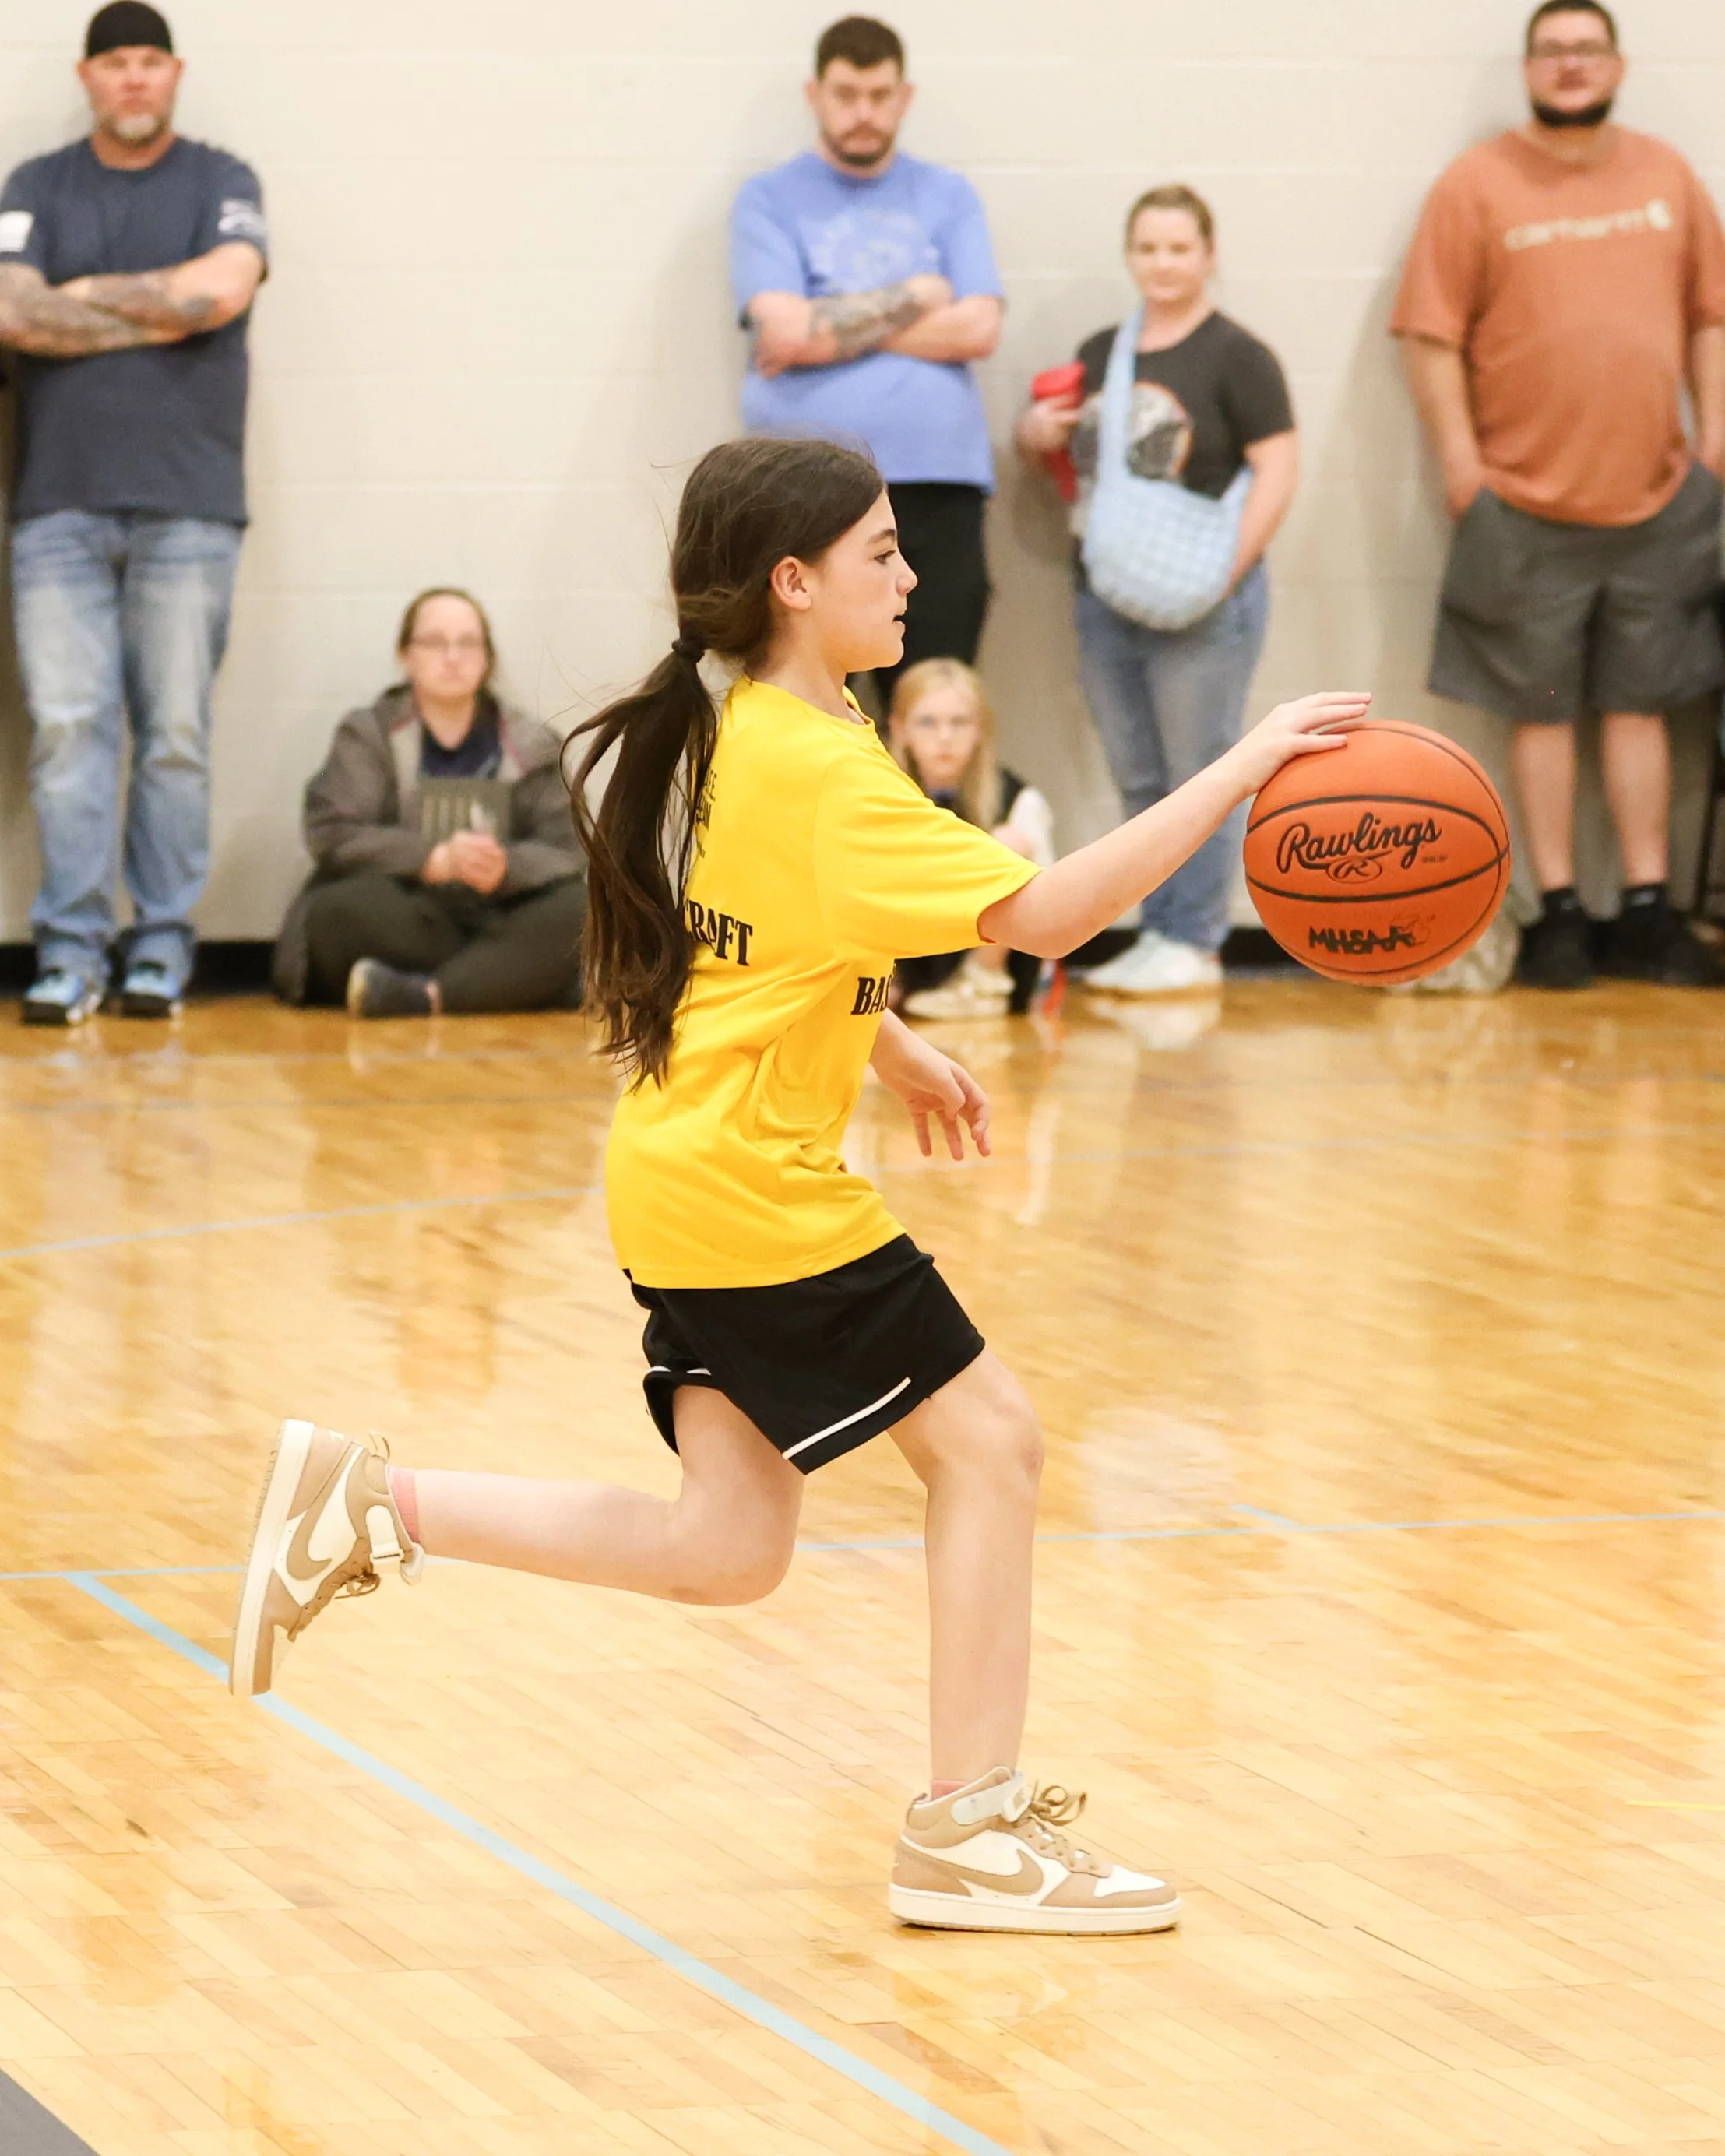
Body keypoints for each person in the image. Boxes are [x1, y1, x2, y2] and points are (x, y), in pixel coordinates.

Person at [227, 434, 1368, 1933]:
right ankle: (969, 1825)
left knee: (726, 1547)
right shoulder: (819, 759)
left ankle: (374, 1500)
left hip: (690, 1170)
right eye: (881, 552)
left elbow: (763, 937)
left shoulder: (769, 723)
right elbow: (1048, 914)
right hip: (753, 1191)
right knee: (995, 1443)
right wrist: (1244, 761)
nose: (908, 574)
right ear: (793, 580)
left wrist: (886, 1040)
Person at [1392, 0, 1725, 990]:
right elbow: (1429, 336)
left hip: (1657, 501)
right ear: (1528, 68)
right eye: (1552, 51)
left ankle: (1647, 909)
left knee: (1640, 708)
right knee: (1538, 713)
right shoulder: (1475, 184)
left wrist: (1714, 440)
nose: (1571, 65)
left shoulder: (1666, 176)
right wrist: (1462, 467)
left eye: (1587, 50)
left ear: (1615, 65)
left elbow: (1710, 314)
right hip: (1521, 507)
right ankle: (1560, 914)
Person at [0, 2, 267, 1025]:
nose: (134, 77)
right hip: (54, 510)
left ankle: (159, 949)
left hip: (190, 507)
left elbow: (222, 293)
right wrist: (158, 307)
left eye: (151, 60)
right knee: (70, 733)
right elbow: (11, 310)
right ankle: (69, 954)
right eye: (116, 62)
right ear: (88, 77)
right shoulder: (34, 186)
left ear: (175, 73)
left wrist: (75, 302)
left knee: (175, 737)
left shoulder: (223, 179)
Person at [1017, 185, 1297, 996]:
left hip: (1204, 599)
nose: (1163, 263)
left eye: (1179, 248)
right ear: (1129, 255)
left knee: (1202, 772)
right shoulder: (1104, 350)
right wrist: (1034, 436)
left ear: (1208, 255)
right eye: (1148, 248)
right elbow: (1074, 464)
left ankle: (1194, 938)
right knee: (1140, 775)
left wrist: (1223, 574)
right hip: (1105, 591)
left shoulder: (1239, 356)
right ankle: (1156, 930)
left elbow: (1278, 469)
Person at [730, 16, 1002, 705]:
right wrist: (917, 297)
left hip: (936, 484)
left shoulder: (947, 196)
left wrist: (830, 326)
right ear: (814, 94)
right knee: (804, 701)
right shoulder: (768, 199)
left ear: (903, 97)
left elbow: (979, 327)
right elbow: (781, 330)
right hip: (802, 492)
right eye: (846, 94)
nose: (863, 112)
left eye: (879, 95)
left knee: (935, 708)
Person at [270, 589, 586, 1018]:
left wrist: (506, 868)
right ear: (406, 656)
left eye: (468, 643)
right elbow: (334, 832)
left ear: (487, 658)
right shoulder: (367, 734)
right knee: (335, 914)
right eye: (435, 643)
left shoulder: (532, 742)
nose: (453, 657)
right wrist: (431, 860)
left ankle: (423, 996)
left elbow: (569, 845)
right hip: (410, 911)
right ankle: (508, 979)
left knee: (579, 910)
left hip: (495, 907)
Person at [885, 658, 1054, 1018]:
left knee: (1011, 843)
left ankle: (979, 984)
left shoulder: (1018, 799)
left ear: (980, 729)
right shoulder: (882, 793)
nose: (944, 737)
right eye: (927, 722)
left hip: (998, 958)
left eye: (959, 722)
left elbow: (1049, 907)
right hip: (910, 953)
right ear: (899, 729)